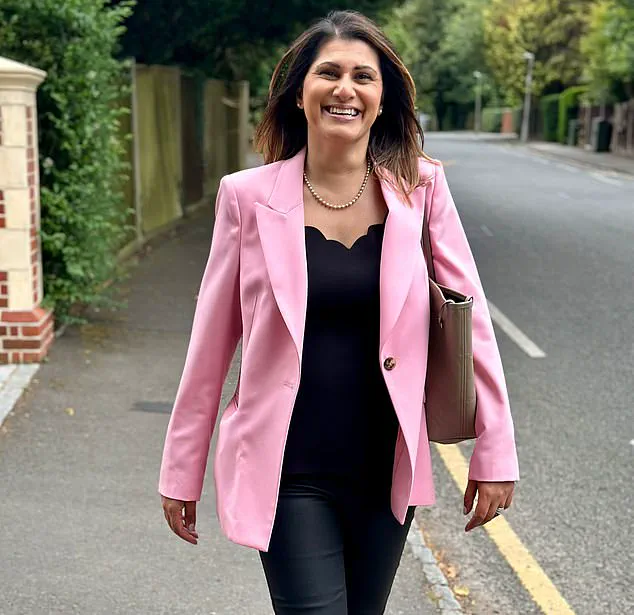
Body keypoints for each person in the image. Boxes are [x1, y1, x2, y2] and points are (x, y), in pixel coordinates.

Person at [159, 9, 519, 614]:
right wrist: (181, 469)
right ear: (300, 94)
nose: (344, 89)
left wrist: (495, 451)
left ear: (382, 100)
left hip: (385, 471)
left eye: (363, 77)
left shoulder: (420, 190)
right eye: (328, 73)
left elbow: (471, 321)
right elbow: (210, 343)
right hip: (287, 469)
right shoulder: (246, 198)